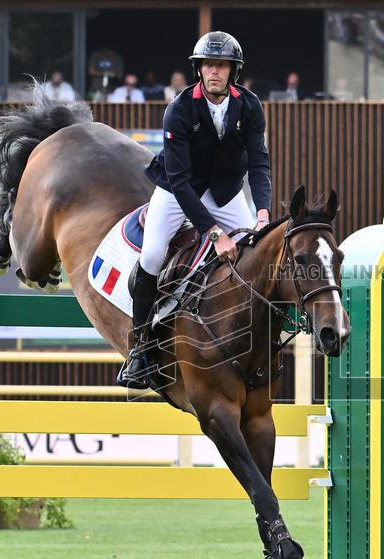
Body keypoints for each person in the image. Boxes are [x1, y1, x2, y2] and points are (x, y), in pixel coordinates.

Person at [117, 30, 271, 389]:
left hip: (226, 191)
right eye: (207, 65)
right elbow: (181, 181)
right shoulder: (179, 109)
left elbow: (259, 164)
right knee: (153, 254)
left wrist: (262, 213)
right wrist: (214, 233)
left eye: (221, 65)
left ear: (233, 70)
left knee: (255, 254)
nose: (214, 71)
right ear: (198, 69)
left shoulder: (249, 106)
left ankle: (254, 342)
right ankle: (140, 348)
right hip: (177, 189)